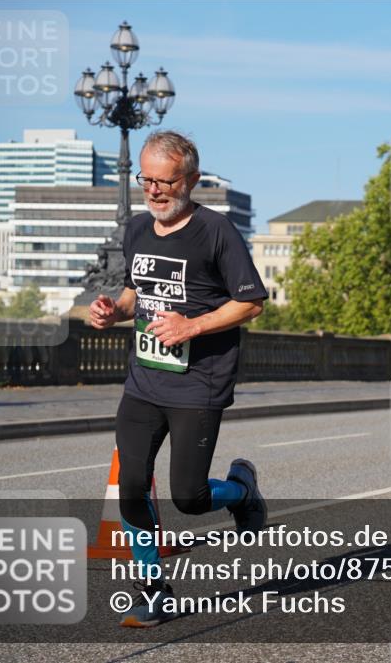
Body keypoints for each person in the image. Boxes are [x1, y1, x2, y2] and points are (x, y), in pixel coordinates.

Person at [89, 131, 268, 627]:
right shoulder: (138, 229)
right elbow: (134, 293)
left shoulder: (216, 231)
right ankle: (153, 589)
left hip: (199, 382)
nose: (153, 191)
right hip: (144, 381)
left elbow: (250, 301)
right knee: (131, 485)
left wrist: (192, 324)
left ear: (189, 180)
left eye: (164, 182)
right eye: (145, 180)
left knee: (189, 498)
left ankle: (241, 490)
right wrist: (112, 311)